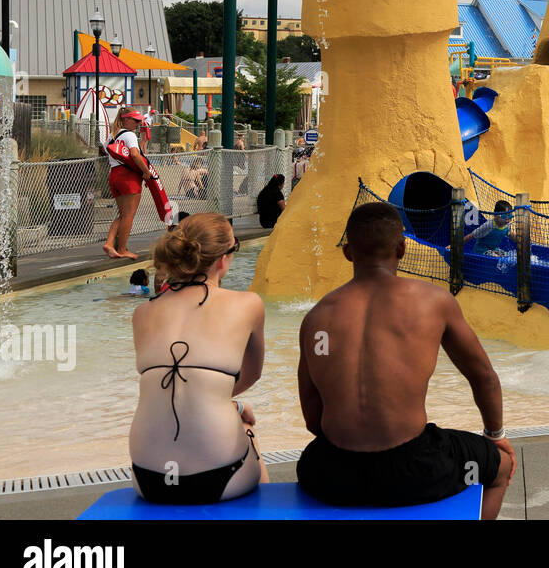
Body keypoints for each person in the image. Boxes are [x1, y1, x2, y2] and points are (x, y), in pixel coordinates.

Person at [295, 202, 515, 517]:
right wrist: (496, 436)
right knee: (501, 468)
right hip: (416, 470)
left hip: (330, 474)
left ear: (347, 252)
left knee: (322, 461)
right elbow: (485, 377)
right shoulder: (434, 302)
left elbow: (312, 418)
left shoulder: (317, 318)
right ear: (402, 248)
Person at [130, 213, 266, 503]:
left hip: (148, 479)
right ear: (222, 259)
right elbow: (252, 374)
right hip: (221, 476)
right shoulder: (248, 304)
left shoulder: (142, 313)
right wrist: (234, 404)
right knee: (246, 427)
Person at [104, 107, 154, 260]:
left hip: (114, 176)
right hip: (129, 178)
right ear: (126, 119)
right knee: (128, 216)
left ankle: (109, 243)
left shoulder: (111, 136)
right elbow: (134, 154)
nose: (139, 123)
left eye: (140, 120)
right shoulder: (129, 135)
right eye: (136, 120)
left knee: (122, 215)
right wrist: (146, 172)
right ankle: (122, 249)